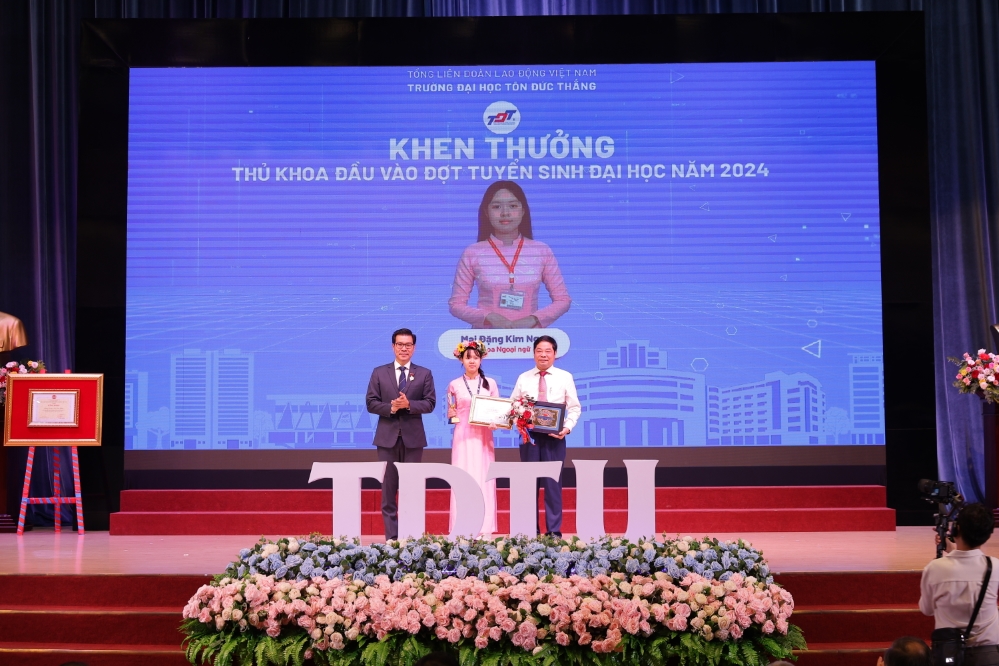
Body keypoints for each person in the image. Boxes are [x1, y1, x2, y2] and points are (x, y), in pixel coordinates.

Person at [448, 181, 571, 329]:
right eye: (496, 207)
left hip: (529, 341)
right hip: (487, 341)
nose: (505, 212)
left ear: (523, 211)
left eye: (512, 206)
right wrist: (488, 317)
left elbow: (563, 300)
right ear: (486, 212)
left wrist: (533, 319)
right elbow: (456, 305)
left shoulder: (541, 251)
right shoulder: (472, 253)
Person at [365, 328, 436, 541]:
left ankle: (411, 537)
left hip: (413, 440)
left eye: (408, 345)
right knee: (388, 492)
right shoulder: (379, 372)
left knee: (411, 490)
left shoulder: (424, 373)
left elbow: (430, 403)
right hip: (387, 439)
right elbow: (371, 402)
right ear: (393, 346)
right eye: (400, 344)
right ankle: (392, 539)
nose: (404, 348)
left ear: (414, 348)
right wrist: (392, 408)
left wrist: (409, 404)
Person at [509, 335, 580, 536]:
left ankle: (554, 532)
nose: (543, 355)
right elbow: (513, 406)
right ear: (533, 354)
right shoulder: (524, 377)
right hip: (529, 439)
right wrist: (519, 423)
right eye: (539, 350)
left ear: (555, 354)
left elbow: (574, 408)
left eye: (548, 351)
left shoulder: (564, 377)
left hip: (554, 439)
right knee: (529, 486)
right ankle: (531, 531)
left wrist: (566, 428)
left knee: (553, 487)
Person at [920, 502, 999, 666]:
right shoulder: (995, 567)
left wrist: (952, 551)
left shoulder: (935, 568)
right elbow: (971, 563)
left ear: (956, 529)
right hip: (989, 653)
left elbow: (926, 609)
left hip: (949, 652)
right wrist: (954, 549)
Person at [445, 340, 499, 536]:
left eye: (475, 357)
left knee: (483, 477)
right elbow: (451, 412)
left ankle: (485, 526)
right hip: (463, 436)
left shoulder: (490, 383)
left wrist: (496, 420)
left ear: (481, 359)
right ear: (461, 359)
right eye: (468, 358)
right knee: (463, 476)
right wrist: (451, 415)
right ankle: (462, 524)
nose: (472, 361)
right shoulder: (454, 384)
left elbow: (498, 410)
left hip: (484, 437)